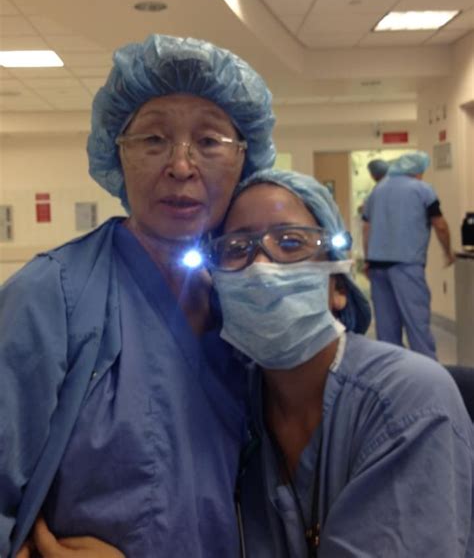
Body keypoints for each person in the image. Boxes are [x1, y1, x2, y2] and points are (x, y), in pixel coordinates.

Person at [0, 33, 276, 558]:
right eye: (152, 140)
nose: (180, 165)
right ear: (116, 154)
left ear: (246, 159)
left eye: (210, 141)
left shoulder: (245, 306)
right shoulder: (50, 297)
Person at [207, 168, 473, 557]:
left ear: (338, 287)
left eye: (290, 242)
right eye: (236, 248)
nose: (260, 267)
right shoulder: (233, 407)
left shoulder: (411, 402)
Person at [362, 151, 455, 359]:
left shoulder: (377, 190)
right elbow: (439, 225)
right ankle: (429, 379)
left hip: (377, 267)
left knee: (386, 331)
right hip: (406, 266)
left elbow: (366, 227)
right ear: (418, 171)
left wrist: (367, 259)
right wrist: (448, 252)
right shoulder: (422, 189)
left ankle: (393, 378)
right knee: (417, 326)